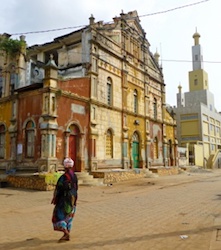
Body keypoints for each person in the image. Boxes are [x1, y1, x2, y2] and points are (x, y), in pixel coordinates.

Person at [51, 157, 78, 242]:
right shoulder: (74, 176)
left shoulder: (63, 177)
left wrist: (55, 198)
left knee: (58, 216)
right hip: (73, 199)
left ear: (65, 166)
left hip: (64, 200)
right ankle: (67, 233)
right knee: (69, 217)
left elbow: (59, 189)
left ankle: (66, 232)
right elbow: (76, 188)